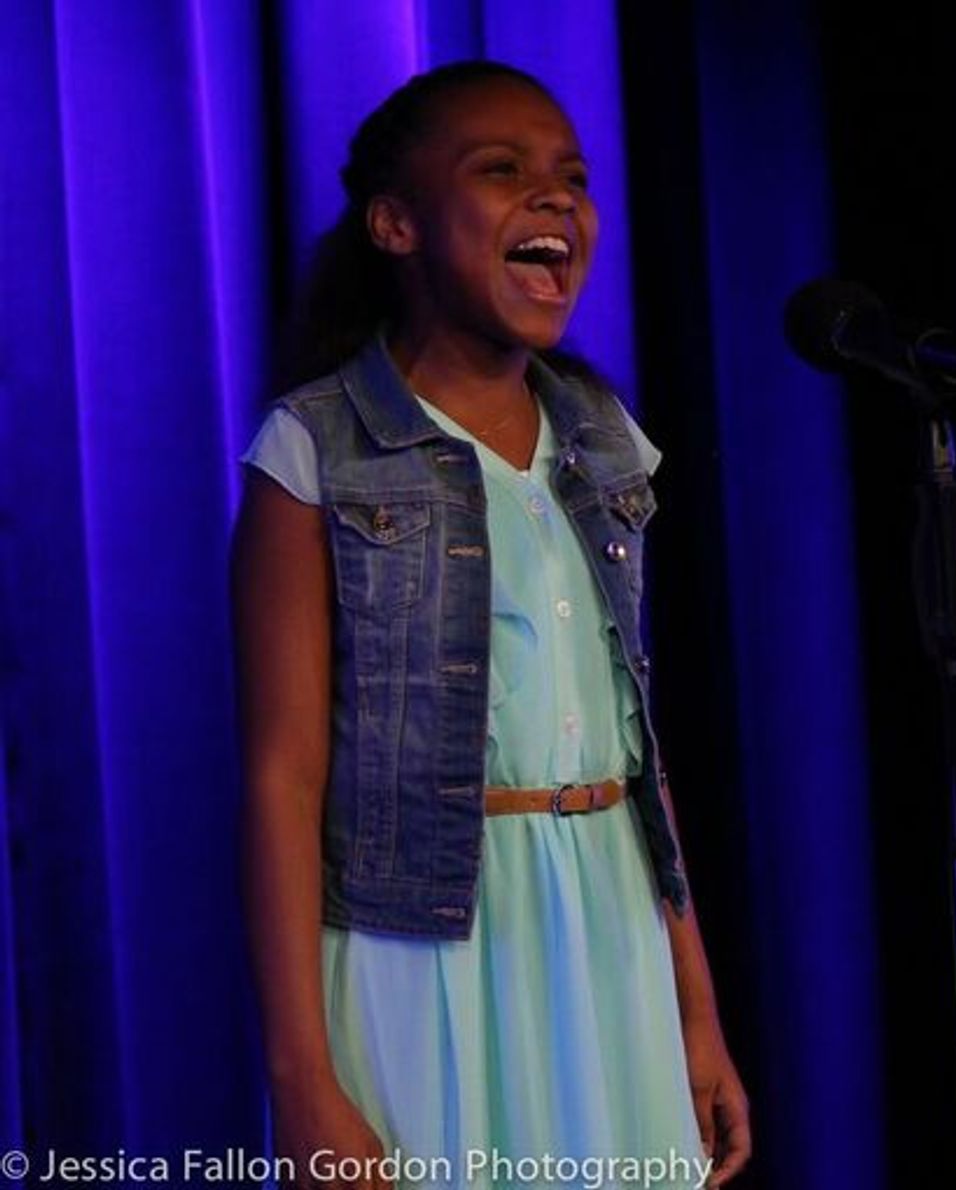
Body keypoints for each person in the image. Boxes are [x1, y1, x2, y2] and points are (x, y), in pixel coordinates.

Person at [230, 60, 750, 1190]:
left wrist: (692, 1010)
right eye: (503, 171)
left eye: (571, 177)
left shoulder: (599, 438)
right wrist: (300, 1079)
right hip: (425, 950)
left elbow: (634, 751)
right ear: (395, 223)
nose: (555, 200)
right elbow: (281, 777)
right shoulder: (317, 450)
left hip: (607, 933)